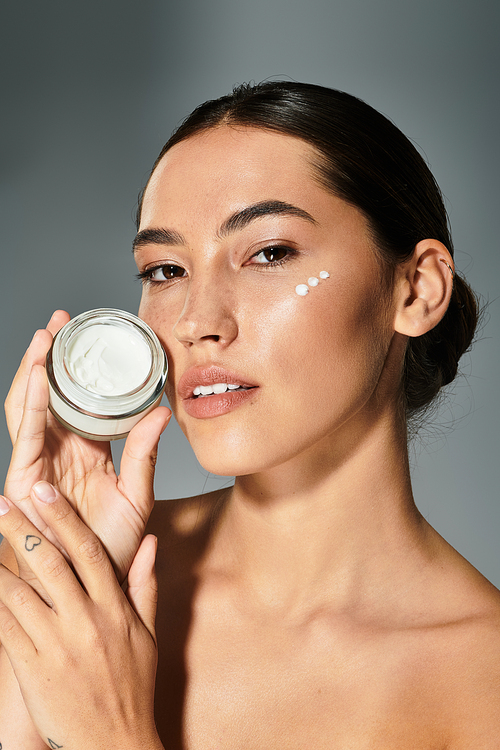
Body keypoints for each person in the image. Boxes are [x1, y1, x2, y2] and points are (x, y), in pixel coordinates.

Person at [0, 81, 498, 749]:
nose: (197, 322)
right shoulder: (70, 575)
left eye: (269, 253)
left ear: (415, 289)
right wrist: (53, 578)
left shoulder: (482, 679)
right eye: (165, 269)